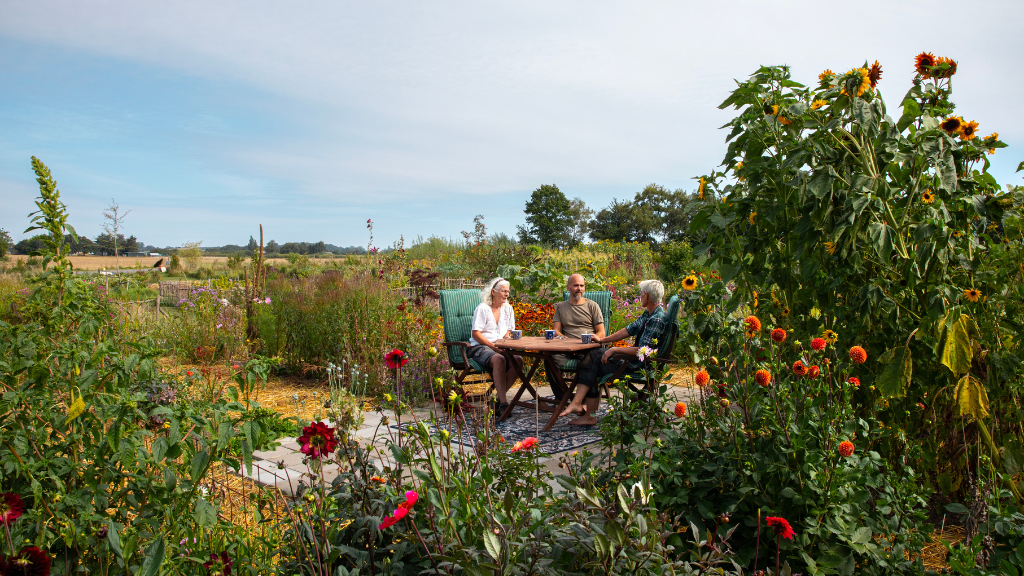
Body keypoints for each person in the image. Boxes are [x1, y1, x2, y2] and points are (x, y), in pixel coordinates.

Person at [559, 279, 667, 425]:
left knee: (592, 360)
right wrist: (603, 341)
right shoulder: (649, 314)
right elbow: (628, 330)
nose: (639, 296)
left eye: (641, 293)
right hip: (635, 361)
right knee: (592, 358)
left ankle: (584, 411)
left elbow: (644, 351)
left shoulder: (657, 319)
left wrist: (614, 349)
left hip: (639, 365)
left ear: (647, 296)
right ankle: (581, 407)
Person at [467, 277, 524, 417]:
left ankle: (497, 399)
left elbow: (509, 330)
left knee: (519, 360)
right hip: (480, 347)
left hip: (500, 346)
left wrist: (504, 341)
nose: (507, 294)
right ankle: (504, 403)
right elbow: (476, 334)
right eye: (503, 291)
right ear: (493, 292)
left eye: (508, 291)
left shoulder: (508, 309)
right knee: (499, 359)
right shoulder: (483, 309)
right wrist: (494, 347)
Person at [547, 273, 606, 387]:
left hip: (586, 347)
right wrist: (566, 341)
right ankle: (562, 399)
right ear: (568, 288)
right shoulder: (561, 306)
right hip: (566, 347)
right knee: (548, 359)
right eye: (575, 285)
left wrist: (591, 340)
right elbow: (556, 331)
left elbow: (601, 332)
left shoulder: (593, 306)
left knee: (588, 363)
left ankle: (583, 400)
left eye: (582, 285)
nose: (579, 289)